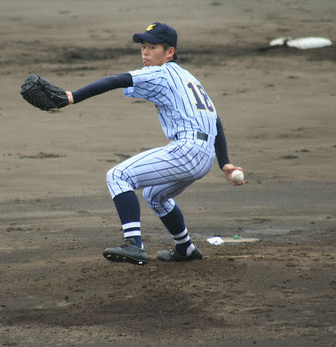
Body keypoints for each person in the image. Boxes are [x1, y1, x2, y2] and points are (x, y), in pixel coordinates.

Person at [63, 22, 244, 265]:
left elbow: (116, 80)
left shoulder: (160, 73)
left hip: (187, 150)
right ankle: (185, 248)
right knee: (155, 196)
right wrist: (225, 163)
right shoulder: (188, 78)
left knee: (118, 176)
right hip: (203, 156)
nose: (145, 52)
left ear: (169, 52)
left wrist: (72, 97)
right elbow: (216, 120)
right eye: (143, 46)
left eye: (153, 47)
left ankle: (134, 245)